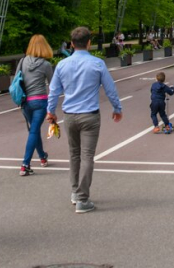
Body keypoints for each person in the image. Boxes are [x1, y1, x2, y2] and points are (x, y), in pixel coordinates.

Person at [46, 26, 123, 214]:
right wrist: (117, 108)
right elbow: (110, 88)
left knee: (74, 154)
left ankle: (75, 192)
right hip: (90, 115)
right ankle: (83, 198)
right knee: (87, 156)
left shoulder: (62, 65)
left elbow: (54, 90)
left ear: (71, 44)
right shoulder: (97, 64)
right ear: (89, 43)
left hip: (69, 116)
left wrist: (51, 112)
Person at [17, 35, 55, 176]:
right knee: (34, 131)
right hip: (40, 101)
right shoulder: (45, 65)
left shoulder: (22, 61)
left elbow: (16, 80)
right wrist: (52, 106)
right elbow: (53, 85)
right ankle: (25, 164)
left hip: (26, 102)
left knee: (34, 129)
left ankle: (42, 157)